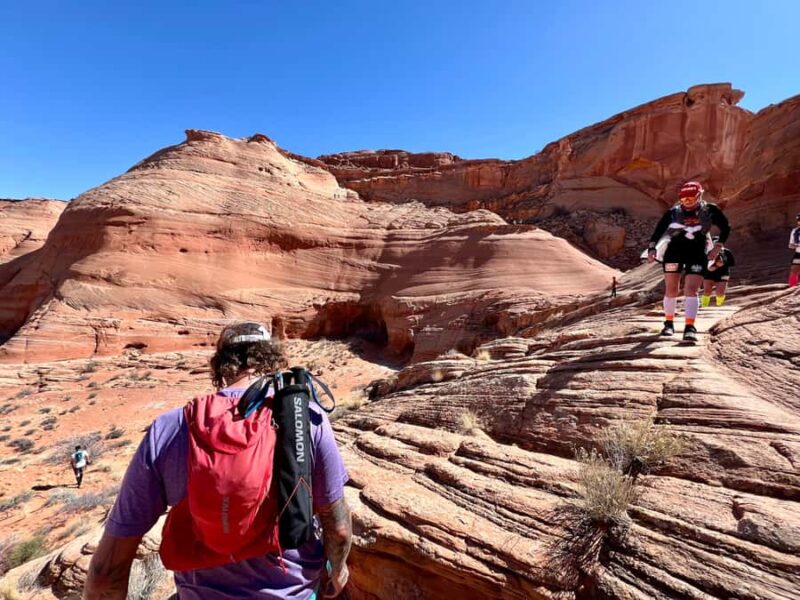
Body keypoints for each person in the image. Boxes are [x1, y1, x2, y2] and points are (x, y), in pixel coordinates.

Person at [84, 322, 352, 600]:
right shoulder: (305, 419)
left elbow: (106, 574)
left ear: (221, 366)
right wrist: (337, 570)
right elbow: (340, 530)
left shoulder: (170, 427)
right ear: (274, 361)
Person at [647, 181, 731, 342]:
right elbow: (658, 231)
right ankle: (668, 324)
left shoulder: (710, 210)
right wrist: (652, 249)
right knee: (671, 290)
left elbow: (726, 227)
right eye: (684, 199)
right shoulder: (673, 212)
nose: (687, 202)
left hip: (697, 253)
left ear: (699, 195)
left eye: (691, 199)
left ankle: (689, 327)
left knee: (691, 290)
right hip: (673, 253)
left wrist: (717, 247)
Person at [702, 238, 735, 307]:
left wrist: (723, 263)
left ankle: (719, 305)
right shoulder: (707, 252)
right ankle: (704, 305)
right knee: (707, 291)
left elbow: (732, 263)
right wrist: (709, 267)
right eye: (715, 243)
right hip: (709, 274)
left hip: (723, 274)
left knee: (720, 292)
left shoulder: (726, 252)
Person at [788, 213, 800, 288]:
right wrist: (797, 245)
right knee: (794, 270)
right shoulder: (795, 231)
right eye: (799, 220)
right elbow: (790, 245)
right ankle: (792, 287)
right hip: (798, 253)